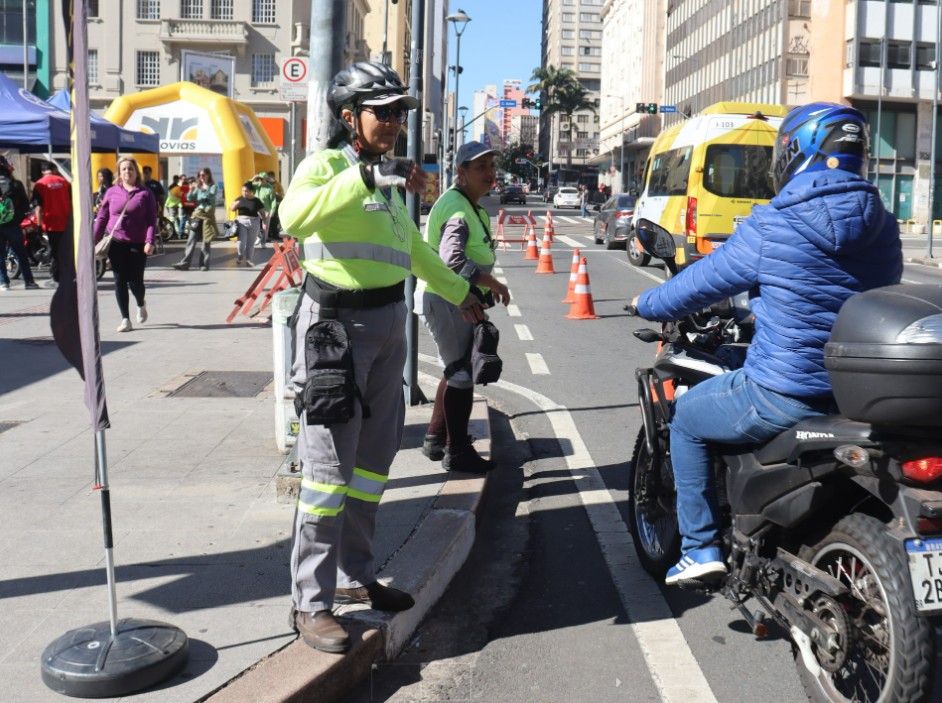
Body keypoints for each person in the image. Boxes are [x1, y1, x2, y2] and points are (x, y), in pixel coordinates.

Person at [630, 103, 903, 587]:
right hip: (858, 393)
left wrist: (648, 302)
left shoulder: (777, 221)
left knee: (689, 418)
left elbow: (702, 282)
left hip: (787, 391)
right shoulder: (882, 222)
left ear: (794, 152)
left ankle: (698, 548)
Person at [278, 61, 485, 655]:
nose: (395, 123)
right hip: (335, 332)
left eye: (399, 113)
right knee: (326, 476)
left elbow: (414, 249)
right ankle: (310, 604)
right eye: (383, 112)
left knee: (369, 470)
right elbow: (290, 219)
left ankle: (355, 577)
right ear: (350, 117)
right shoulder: (328, 167)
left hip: (389, 326)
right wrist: (370, 177)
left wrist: (460, 292)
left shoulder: (391, 178)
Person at [418, 141, 510, 473]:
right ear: (461, 173)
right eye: (480, 167)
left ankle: (436, 437)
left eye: (491, 166)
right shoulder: (458, 209)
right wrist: (491, 283)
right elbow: (452, 259)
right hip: (449, 299)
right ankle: (456, 451)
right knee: (462, 375)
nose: (489, 173)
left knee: (456, 366)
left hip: (453, 297)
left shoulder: (469, 206)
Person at [93, 157, 157, 331]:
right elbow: (103, 216)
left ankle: (140, 302)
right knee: (119, 280)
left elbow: (151, 220)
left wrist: (149, 241)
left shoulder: (145, 193)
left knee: (135, 282)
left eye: (130, 169)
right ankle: (125, 319)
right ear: (119, 173)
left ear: (136, 172)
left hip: (137, 243)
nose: (127, 172)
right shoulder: (112, 192)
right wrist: (94, 239)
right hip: (116, 241)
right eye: (123, 169)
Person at [0, 155, 39, 291]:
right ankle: (29, 281)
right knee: (21, 253)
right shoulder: (15, 184)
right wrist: (16, 219)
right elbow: (25, 205)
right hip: (13, 225)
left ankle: (3, 282)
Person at [31, 161, 72, 288]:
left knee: (54, 251)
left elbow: (38, 208)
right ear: (54, 169)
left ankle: (55, 278)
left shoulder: (39, 184)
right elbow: (72, 201)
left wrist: (38, 226)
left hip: (51, 223)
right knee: (66, 251)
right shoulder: (65, 182)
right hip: (66, 221)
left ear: (43, 171)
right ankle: (67, 276)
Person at [173, 167, 218, 271]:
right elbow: (189, 198)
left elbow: (209, 196)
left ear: (208, 175)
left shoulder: (213, 187)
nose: (201, 177)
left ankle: (204, 265)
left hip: (207, 216)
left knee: (206, 242)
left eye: (203, 175)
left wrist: (201, 189)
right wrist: (192, 189)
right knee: (191, 239)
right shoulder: (198, 187)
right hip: (197, 216)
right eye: (200, 175)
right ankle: (185, 263)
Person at [229, 181, 266, 267]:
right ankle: (240, 256)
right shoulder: (239, 199)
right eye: (242, 191)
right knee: (241, 241)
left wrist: (264, 223)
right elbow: (231, 208)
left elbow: (262, 213)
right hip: (242, 222)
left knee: (251, 243)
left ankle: (249, 260)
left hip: (254, 222)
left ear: (251, 191)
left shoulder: (256, 200)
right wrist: (235, 205)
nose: (244, 193)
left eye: (246, 191)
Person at [253, 171, 277, 246]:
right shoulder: (256, 185)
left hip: (266, 209)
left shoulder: (269, 188)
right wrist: (253, 178)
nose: (260, 180)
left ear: (266, 179)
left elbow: (273, 200)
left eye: (262, 179)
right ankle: (258, 236)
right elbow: (247, 185)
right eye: (259, 178)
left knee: (265, 227)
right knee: (254, 224)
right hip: (256, 209)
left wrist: (272, 210)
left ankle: (263, 242)